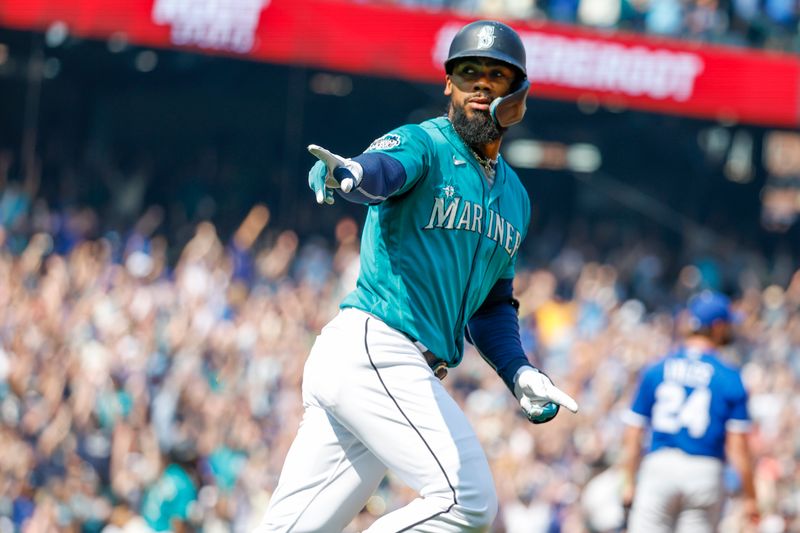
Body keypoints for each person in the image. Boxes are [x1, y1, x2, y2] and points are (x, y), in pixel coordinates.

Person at [257, 20, 579, 532]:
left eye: (495, 76)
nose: (479, 85)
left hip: (379, 368)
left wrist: (518, 371)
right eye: (467, 72)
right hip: (378, 347)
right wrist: (350, 174)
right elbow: (381, 171)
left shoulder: (516, 198)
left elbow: (492, 304)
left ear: (517, 96)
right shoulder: (424, 143)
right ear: (447, 84)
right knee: (467, 501)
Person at [620, 291, 758, 533]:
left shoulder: (657, 369)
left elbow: (633, 433)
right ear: (717, 327)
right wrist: (750, 496)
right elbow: (738, 449)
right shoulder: (729, 377)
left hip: (660, 466)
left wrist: (628, 481)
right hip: (704, 471)